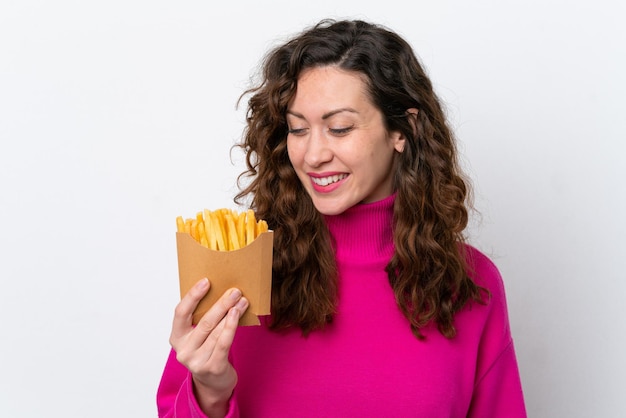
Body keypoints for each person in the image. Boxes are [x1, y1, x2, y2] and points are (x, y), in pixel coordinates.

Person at [157, 19, 526, 417]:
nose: (313, 155)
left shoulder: (471, 284)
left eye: (339, 128)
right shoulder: (242, 270)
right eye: (298, 129)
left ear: (403, 129)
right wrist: (209, 393)